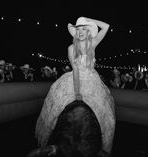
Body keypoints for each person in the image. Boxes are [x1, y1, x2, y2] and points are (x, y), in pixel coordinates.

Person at [35, 17, 115, 156]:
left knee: (107, 113)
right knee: (54, 102)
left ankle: (104, 147)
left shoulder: (93, 43)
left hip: (92, 79)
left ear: (88, 32)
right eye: (78, 29)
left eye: (84, 29)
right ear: (75, 33)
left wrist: (88, 20)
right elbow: (76, 71)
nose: (81, 32)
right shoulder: (71, 48)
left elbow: (106, 26)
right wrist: (78, 93)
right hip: (75, 79)